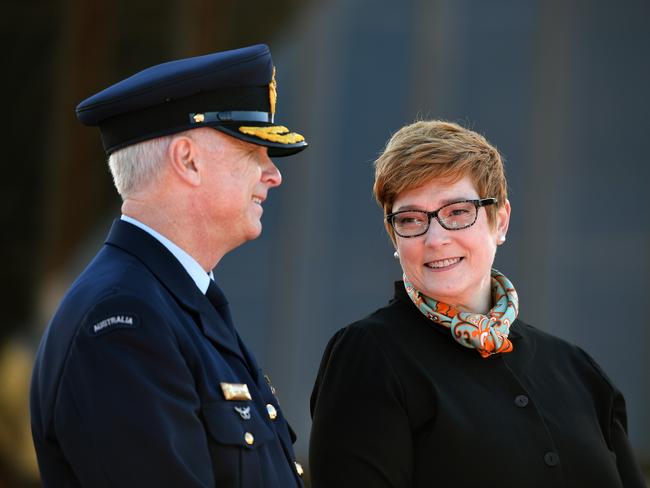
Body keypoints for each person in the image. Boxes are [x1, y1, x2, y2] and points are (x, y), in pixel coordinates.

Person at [309, 120, 645, 487]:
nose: (435, 238)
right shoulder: (369, 356)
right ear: (394, 236)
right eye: (411, 219)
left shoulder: (578, 370)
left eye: (457, 212)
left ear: (499, 221)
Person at [30, 44, 307, 487]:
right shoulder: (124, 322)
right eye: (252, 151)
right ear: (188, 160)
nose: (273, 174)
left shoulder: (173, 303)